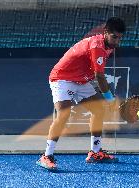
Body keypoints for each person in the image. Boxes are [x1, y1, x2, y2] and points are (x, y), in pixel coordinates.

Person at [36, 17, 126, 170]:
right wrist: (110, 99)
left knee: (98, 110)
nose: (117, 41)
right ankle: (47, 156)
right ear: (105, 32)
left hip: (81, 80)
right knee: (64, 114)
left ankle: (95, 152)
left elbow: (92, 71)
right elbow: (99, 76)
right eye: (114, 37)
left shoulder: (109, 45)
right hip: (62, 78)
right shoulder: (97, 46)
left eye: (120, 38)